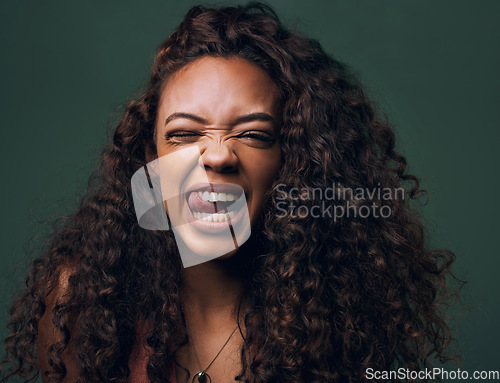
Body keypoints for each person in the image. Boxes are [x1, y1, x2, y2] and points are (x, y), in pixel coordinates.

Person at [0, 3, 458, 383]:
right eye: (182, 135)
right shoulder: (80, 302)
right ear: (150, 160)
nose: (217, 156)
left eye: (254, 135)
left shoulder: (341, 315)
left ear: (293, 162)